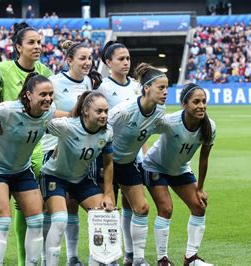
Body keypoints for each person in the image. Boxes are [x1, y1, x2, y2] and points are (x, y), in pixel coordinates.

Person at [0, 73, 63, 265]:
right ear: (28, 95)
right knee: (3, 221)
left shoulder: (48, 113)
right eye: (43, 94)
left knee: (36, 220)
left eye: (50, 94)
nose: (48, 98)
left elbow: (71, 117)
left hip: (21, 170)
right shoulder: (9, 110)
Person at [0, 22, 52, 265]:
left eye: (39, 42)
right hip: (4, 151)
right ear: (18, 47)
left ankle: (22, 260)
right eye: (31, 42)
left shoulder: (45, 72)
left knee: (26, 211)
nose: (37, 46)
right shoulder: (2, 69)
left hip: (34, 150)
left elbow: (48, 110)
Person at [142, 83, 216, 266]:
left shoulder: (210, 127)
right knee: (166, 209)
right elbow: (144, 130)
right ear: (184, 104)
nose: (201, 106)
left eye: (204, 101)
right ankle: (162, 259)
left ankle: (191, 258)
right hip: (155, 166)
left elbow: (204, 159)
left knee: (199, 207)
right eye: (196, 102)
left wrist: (200, 188)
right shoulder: (170, 122)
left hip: (180, 169)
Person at [42, 91, 115, 266]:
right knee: (60, 220)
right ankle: (48, 262)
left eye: (106, 111)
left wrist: (107, 194)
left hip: (81, 178)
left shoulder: (107, 132)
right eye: (99, 111)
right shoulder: (67, 126)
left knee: (103, 218)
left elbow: (109, 163)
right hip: (55, 176)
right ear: (86, 111)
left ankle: (97, 262)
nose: (104, 115)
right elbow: (38, 122)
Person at [108, 63, 168, 266]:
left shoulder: (160, 110)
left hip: (128, 163)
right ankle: (107, 259)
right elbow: (100, 129)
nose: (165, 92)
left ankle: (137, 260)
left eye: (166, 88)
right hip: (105, 163)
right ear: (146, 88)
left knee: (141, 208)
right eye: (161, 88)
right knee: (107, 212)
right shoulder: (124, 110)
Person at [41, 39, 93, 266]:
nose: (87, 62)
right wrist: (74, 114)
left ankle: (72, 256)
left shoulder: (89, 81)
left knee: (72, 206)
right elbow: (46, 113)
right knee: (50, 209)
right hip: (52, 150)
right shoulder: (54, 82)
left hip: (79, 154)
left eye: (90, 58)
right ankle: (45, 258)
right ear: (69, 60)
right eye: (82, 58)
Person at [97, 40, 143, 265]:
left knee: (134, 206)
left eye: (128, 58)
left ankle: (131, 254)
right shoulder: (102, 88)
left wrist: (142, 152)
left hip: (131, 156)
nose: (126, 62)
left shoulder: (136, 86)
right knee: (109, 208)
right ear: (108, 62)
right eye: (121, 59)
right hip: (107, 156)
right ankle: (110, 257)